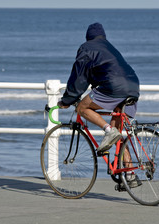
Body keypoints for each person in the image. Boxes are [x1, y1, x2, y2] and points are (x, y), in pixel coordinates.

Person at [57, 22, 140, 154]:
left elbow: (79, 76)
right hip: (133, 86)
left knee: (82, 108)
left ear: (88, 36)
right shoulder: (109, 47)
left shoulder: (87, 48)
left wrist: (68, 100)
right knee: (117, 136)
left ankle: (107, 130)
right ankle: (128, 172)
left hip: (114, 87)